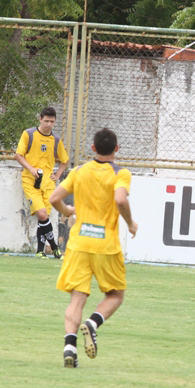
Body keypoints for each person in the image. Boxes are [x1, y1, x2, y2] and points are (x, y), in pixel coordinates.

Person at [50, 128, 138, 368]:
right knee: (115, 295)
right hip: (105, 244)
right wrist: (130, 223)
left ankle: (70, 347)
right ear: (116, 149)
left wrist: (67, 211)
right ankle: (93, 323)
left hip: (79, 243)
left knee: (77, 299)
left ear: (93, 149)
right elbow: (120, 199)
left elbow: (55, 198)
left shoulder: (79, 171)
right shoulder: (121, 173)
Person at [15, 107, 70, 258]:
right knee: (42, 213)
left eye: (52, 122)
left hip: (48, 183)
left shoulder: (56, 140)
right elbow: (19, 155)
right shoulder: (29, 134)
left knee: (43, 216)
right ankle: (54, 247)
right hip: (30, 181)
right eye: (46, 121)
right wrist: (31, 169)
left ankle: (40, 251)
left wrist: (57, 174)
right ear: (40, 119)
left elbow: (65, 161)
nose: (48, 124)